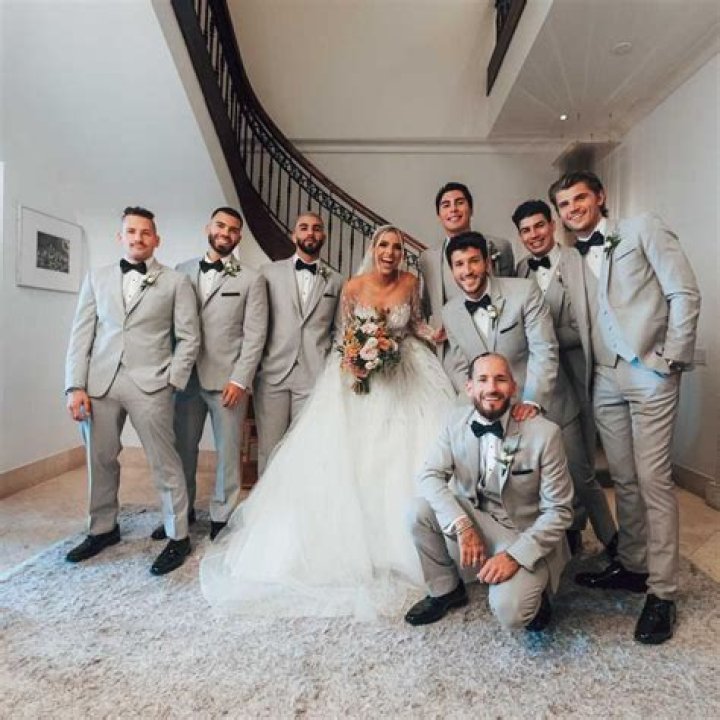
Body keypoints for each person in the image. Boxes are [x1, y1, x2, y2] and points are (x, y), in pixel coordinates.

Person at [200, 225, 456, 618]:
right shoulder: (352, 287)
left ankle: (412, 543)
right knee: (350, 459)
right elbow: (344, 335)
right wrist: (357, 359)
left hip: (405, 370)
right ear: (373, 249)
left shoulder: (410, 282)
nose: (390, 252)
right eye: (383, 245)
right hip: (360, 377)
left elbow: (414, 324)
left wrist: (432, 333)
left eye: (396, 247)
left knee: (405, 452)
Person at [549, 170, 701, 645]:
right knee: (624, 477)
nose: (573, 209)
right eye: (564, 204)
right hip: (604, 377)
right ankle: (635, 565)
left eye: (579, 198)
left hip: (650, 370)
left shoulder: (641, 228)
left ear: (600, 197)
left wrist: (671, 358)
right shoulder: (569, 260)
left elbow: (683, 292)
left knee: (654, 479)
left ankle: (663, 591)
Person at [64, 206, 199, 576]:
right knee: (100, 459)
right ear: (120, 236)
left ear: (156, 240)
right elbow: (80, 336)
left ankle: (178, 535)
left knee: (164, 462)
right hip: (100, 384)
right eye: (132, 231)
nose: (138, 238)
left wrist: (173, 380)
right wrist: (74, 386)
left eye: (145, 232)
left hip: (152, 383)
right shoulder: (96, 278)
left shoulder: (176, 282)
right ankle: (103, 529)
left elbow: (189, 337)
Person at [405, 353, 573, 631]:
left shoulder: (545, 434)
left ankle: (537, 592)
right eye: (482, 380)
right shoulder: (454, 423)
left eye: (500, 379)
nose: (491, 388)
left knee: (513, 613)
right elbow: (429, 475)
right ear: (469, 387)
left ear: (513, 387)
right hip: (477, 518)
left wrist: (514, 556)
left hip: (522, 532)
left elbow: (559, 511)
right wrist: (462, 524)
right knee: (417, 511)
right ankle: (446, 589)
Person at [150, 207, 267, 543]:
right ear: (208, 228)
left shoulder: (251, 278)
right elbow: (168, 324)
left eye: (233, 229)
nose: (225, 233)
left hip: (227, 381)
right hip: (184, 379)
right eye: (220, 226)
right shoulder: (180, 271)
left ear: (239, 236)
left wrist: (240, 379)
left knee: (228, 454)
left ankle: (222, 516)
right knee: (182, 451)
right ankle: (181, 513)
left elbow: (255, 335)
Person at [514, 200, 617, 556]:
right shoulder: (520, 269)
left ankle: (613, 543)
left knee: (581, 466)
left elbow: (589, 324)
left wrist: (536, 335)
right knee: (546, 467)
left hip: (577, 373)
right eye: (526, 230)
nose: (534, 235)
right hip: (539, 381)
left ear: (552, 225)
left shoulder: (577, 261)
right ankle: (569, 533)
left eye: (539, 226)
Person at [253, 212, 343, 473]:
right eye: (303, 228)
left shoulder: (337, 280)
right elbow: (256, 324)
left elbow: (340, 331)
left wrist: (331, 373)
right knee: (269, 449)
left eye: (316, 228)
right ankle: (267, 500)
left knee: (305, 449)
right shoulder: (267, 273)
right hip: (272, 374)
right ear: (294, 235)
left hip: (313, 376)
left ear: (323, 236)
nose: (310, 233)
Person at [441, 231, 558, 421]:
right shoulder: (449, 312)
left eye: (474, 261)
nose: (467, 271)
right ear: (452, 270)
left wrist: (532, 401)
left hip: (540, 407)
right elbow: (460, 366)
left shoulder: (525, 292)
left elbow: (544, 349)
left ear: (487, 263)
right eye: (459, 264)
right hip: (488, 414)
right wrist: (480, 404)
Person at [419, 182, 515, 354]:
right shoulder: (428, 258)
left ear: (471, 209)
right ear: (439, 215)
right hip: (452, 347)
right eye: (446, 205)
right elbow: (424, 306)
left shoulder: (500, 247)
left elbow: (512, 297)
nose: (453, 209)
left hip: (496, 342)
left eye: (460, 202)